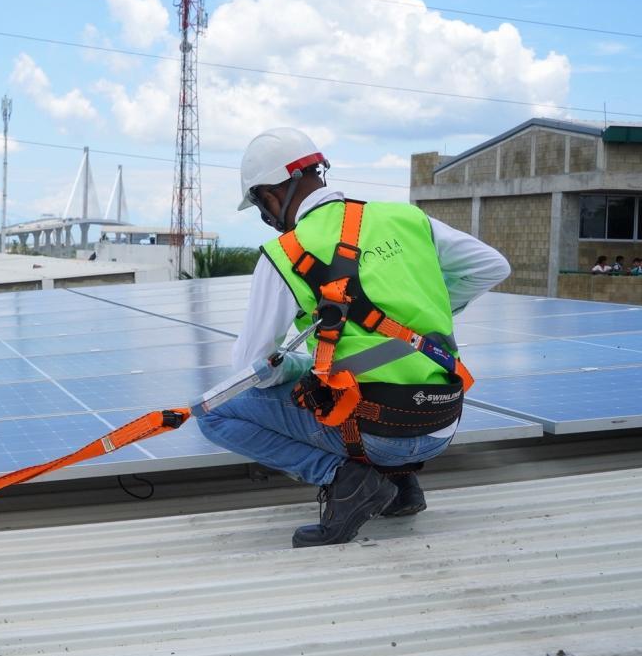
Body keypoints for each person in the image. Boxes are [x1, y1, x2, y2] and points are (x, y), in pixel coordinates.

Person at [198, 127, 509, 547]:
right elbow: (493, 267)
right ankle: (400, 485)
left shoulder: (286, 253)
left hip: (377, 435)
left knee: (215, 411)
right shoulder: (407, 219)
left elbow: (251, 369)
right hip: (442, 424)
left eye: (260, 205)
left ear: (271, 194)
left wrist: (300, 365)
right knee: (353, 378)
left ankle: (345, 479)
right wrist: (424, 318)